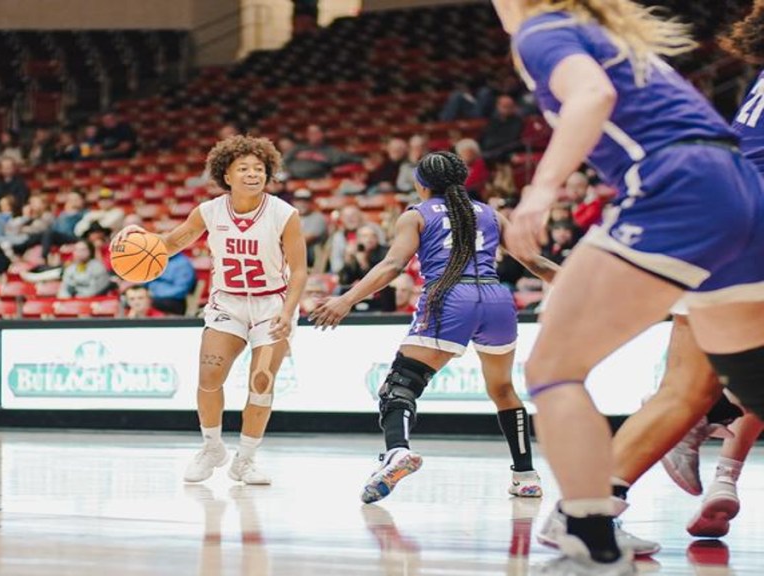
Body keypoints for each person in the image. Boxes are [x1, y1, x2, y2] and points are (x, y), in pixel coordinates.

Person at [493, 1, 764, 572]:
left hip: (678, 187)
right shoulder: (602, 30)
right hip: (741, 190)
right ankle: (593, 520)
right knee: (753, 381)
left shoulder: (544, 31)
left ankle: (588, 535)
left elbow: (592, 97)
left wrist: (540, 192)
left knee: (552, 369)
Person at [570, 1, 764, 551]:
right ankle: (722, 425)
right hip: (750, 226)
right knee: (692, 388)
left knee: (684, 388)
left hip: (719, 213)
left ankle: (585, 516)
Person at [311, 151, 557, 503]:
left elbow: (393, 265)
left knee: (400, 387)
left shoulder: (417, 215)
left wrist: (345, 299)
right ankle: (526, 475)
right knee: (503, 389)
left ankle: (397, 452)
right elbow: (534, 261)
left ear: (420, 184)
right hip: (497, 299)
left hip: (450, 297)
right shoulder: (491, 214)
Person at [112, 135, 307, 485]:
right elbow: (171, 243)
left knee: (261, 382)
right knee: (208, 378)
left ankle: (245, 460)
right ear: (226, 175)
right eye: (243, 168)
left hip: (272, 304)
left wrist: (288, 312)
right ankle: (212, 448)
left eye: (259, 169)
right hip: (227, 303)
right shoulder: (209, 211)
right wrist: (137, 238)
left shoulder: (284, 214)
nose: (252, 174)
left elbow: (301, 270)